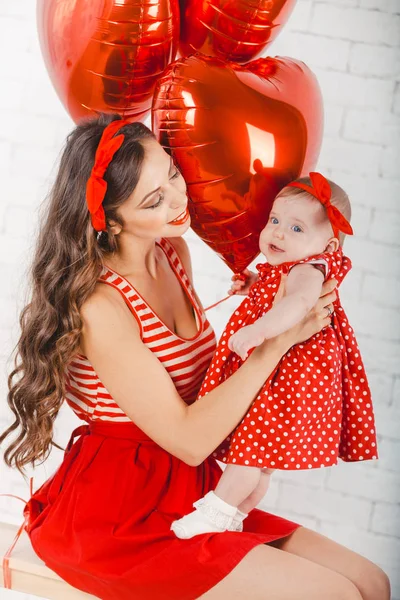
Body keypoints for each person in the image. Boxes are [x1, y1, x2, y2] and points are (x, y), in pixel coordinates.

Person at [0, 115, 389, 600]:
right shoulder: (101, 306)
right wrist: (278, 342)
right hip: (123, 514)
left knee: (373, 583)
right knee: (336, 593)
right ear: (112, 219)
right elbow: (190, 438)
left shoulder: (173, 253)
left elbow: (212, 383)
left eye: (172, 175)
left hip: (192, 490)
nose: (179, 200)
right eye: (153, 200)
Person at [171, 173, 378, 541]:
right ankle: (236, 514)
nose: (279, 234)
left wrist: (257, 331)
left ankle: (216, 512)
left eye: (297, 229)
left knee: (249, 453)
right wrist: (253, 285)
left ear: (329, 245)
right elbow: (280, 294)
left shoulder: (308, 270)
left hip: (287, 376)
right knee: (261, 463)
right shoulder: (293, 268)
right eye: (275, 221)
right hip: (285, 375)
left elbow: (297, 304)